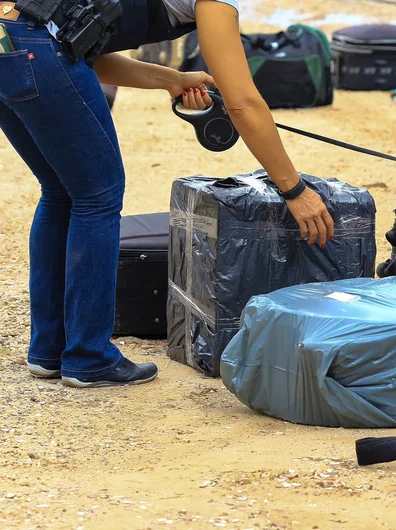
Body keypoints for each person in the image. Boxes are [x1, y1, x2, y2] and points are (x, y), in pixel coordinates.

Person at [0, 0, 333, 388]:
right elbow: (241, 101)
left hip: (10, 39)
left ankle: (50, 350)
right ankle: (88, 357)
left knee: (61, 191)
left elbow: (85, 50)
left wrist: (171, 79)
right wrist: (293, 189)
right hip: (36, 45)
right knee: (97, 197)